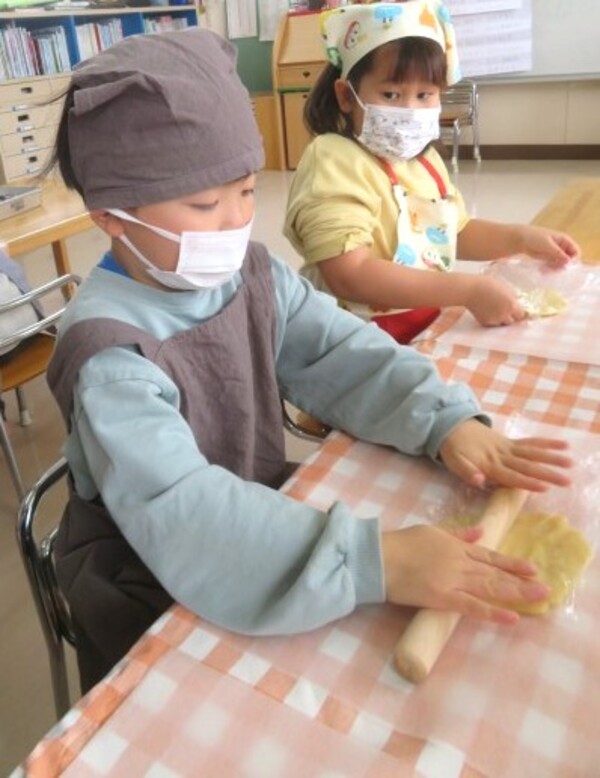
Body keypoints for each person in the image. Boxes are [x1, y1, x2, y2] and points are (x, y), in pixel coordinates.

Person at [45, 27, 572, 693]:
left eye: (245, 191)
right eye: (205, 204)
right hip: (145, 577)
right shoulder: (110, 356)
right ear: (112, 217)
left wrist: (442, 419)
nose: (236, 222)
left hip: (259, 525)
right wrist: (377, 560)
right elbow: (184, 510)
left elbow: (339, 350)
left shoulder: (249, 275)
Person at [284, 1, 581, 344]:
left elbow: (453, 233)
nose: (410, 109)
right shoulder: (332, 161)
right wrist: (467, 290)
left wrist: (520, 239)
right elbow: (350, 274)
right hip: (350, 341)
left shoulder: (424, 161)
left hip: (421, 326)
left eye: (424, 94)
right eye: (391, 94)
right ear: (346, 96)